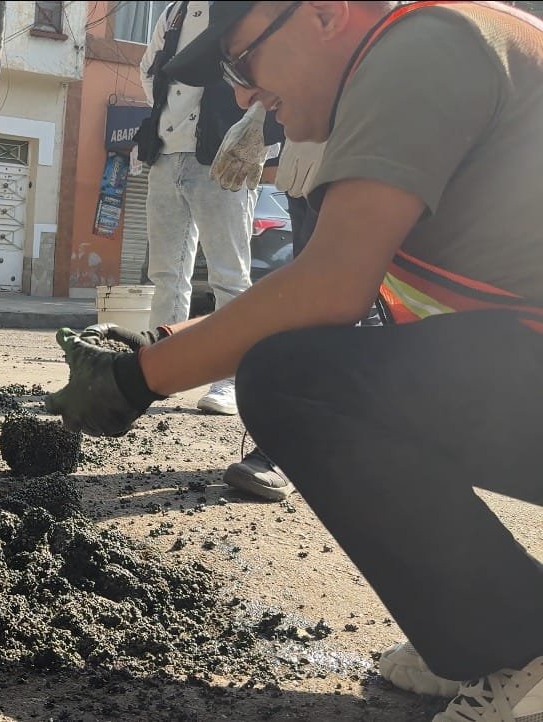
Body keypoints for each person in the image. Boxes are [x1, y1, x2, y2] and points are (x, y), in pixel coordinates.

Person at [46, 3, 543, 721]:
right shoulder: (430, 50)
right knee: (325, 368)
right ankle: (493, 634)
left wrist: (134, 382)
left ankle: (520, 645)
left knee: (299, 383)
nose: (244, 96)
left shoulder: (424, 46)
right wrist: (162, 344)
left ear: (322, 13)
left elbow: (328, 288)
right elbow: (329, 286)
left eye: (243, 64)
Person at [138, 0, 263, 417]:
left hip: (222, 153)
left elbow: (268, 72)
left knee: (229, 276)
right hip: (165, 153)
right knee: (167, 275)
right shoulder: (173, 11)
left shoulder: (246, 8)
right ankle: (164, 371)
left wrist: (257, 132)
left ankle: (228, 379)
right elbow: (150, 69)